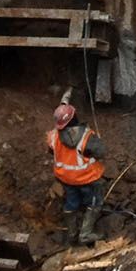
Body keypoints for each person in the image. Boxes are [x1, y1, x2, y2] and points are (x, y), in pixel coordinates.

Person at [49, 101, 107, 247]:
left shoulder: (53, 136)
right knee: (95, 201)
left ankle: (72, 234)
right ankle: (86, 233)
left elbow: (52, 151)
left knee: (71, 202)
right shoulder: (86, 137)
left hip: (66, 179)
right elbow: (101, 152)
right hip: (87, 178)